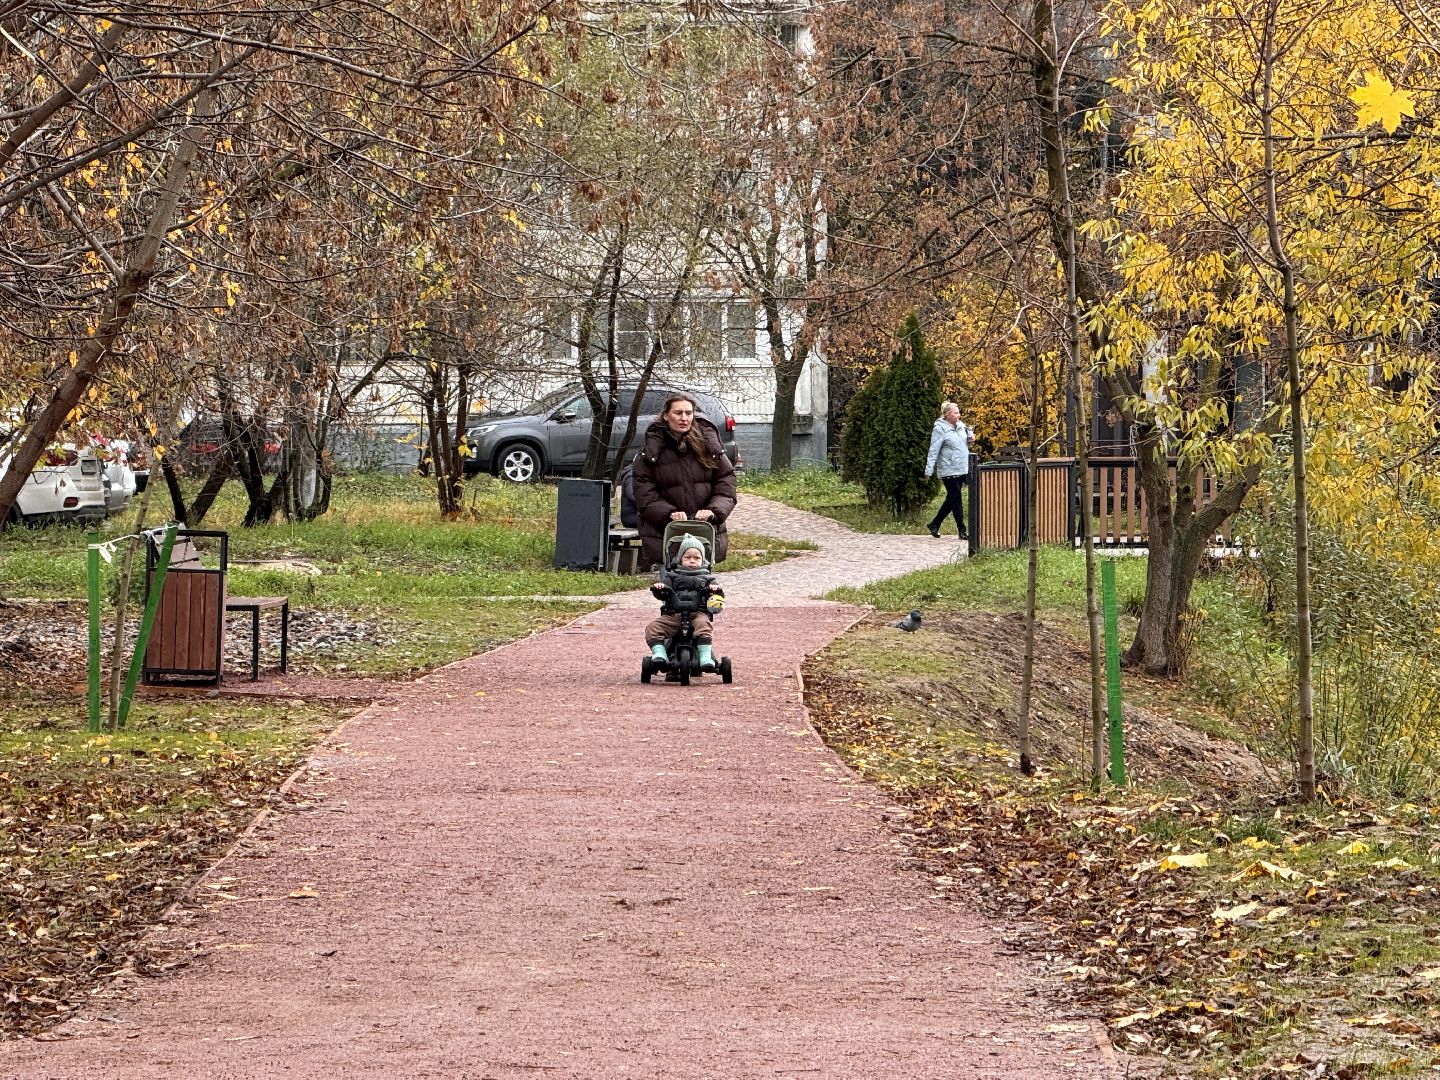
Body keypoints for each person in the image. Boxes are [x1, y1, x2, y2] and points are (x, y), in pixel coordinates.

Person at [632, 392, 737, 569]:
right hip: (666, 531)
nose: (684, 418)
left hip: (703, 530)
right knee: (671, 582)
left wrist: (713, 510)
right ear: (666, 415)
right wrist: (668, 512)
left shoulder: (709, 445)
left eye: (688, 413)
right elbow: (644, 492)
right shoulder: (652, 450)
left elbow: (726, 482)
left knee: (702, 582)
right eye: (678, 413)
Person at [645, 533, 725, 671]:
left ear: (703, 560)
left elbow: (718, 595)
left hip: (698, 613)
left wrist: (715, 591)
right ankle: (660, 654)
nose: (692, 561)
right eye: (687, 557)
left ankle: (705, 656)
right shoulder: (671, 576)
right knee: (653, 628)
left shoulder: (708, 578)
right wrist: (660, 589)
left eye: (696, 558)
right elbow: (663, 594)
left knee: (703, 625)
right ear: (680, 559)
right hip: (674, 614)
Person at [924, 401, 973, 539]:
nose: (959, 415)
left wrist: (970, 438)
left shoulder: (961, 426)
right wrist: (929, 470)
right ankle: (962, 530)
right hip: (948, 468)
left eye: (959, 412)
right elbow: (933, 450)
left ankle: (934, 524)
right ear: (947, 414)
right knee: (956, 498)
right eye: (955, 413)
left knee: (952, 498)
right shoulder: (939, 429)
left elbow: (963, 444)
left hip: (962, 467)